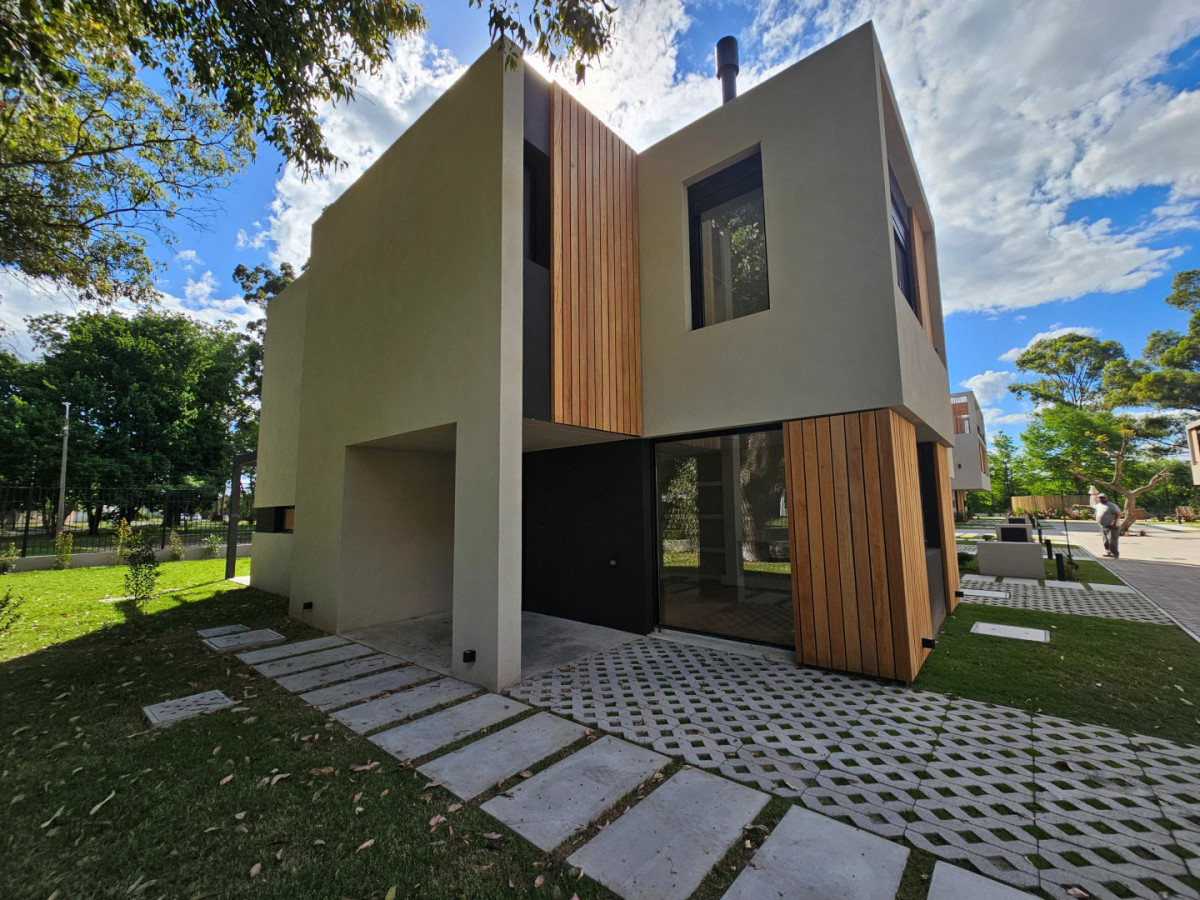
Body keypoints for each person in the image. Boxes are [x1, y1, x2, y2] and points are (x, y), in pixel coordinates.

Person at [1092, 493, 1122, 559]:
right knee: (1105, 541)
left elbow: (1118, 514)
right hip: (1103, 526)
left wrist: (1114, 521)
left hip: (1112, 526)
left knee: (1112, 541)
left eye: (1103, 497)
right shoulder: (1098, 505)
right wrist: (1080, 505)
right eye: (1100, 498)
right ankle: (1108, 552)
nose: (1101, 499)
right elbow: (1091, 506)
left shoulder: (1112, 505)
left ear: (1107, 498)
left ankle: (1115, 554)